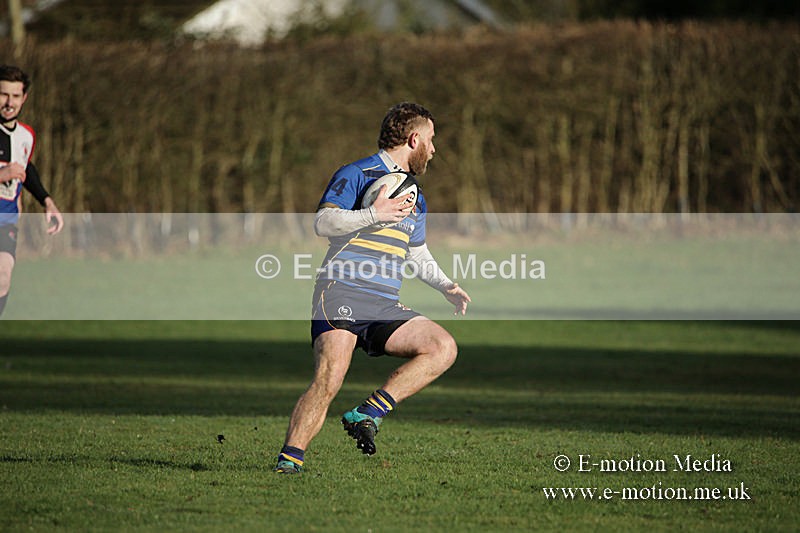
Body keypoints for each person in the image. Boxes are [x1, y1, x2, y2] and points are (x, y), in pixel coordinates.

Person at [274, 102, 471, 474]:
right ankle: (289, 461)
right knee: (329, 377)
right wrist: (374, 214)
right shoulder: (358, 173)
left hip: (384, 303)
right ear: (414, 139)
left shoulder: (416, 195)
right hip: (342, 291)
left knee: (442, 347)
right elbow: (324, 222)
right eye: (431, 140)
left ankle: (367, 412)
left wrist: (445, 284)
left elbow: (416, 252)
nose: (434, 149)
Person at [0, 65, 64, 317]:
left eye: (15, 96)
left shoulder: (26, 135)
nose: (9, 103)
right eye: (3, 94)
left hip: (6, 219)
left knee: (3, 275)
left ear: (24, 98)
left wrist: (46, 201)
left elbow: (27, 169)